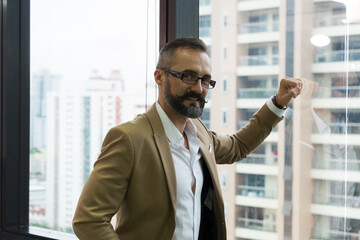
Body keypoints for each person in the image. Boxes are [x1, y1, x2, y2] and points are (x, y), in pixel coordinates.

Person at [72, 38, 302, 240]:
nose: (199, 88)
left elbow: (237, 146)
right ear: (159, 76)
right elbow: (88, 221)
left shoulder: (199, 133)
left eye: (205, 80)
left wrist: (278, 103)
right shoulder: (129, 139)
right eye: (188, 76)